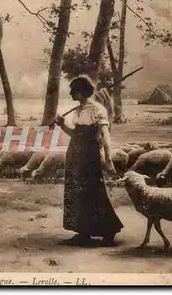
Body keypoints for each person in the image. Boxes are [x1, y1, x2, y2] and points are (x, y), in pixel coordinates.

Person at [54, 75, 123, 246]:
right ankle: (82, 232)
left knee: (94, 191)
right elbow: (74, 134)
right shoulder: (78, 110)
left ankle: (109, 231)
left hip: (89, 157)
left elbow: (105, 135)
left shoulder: (97, 109)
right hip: (74, 155)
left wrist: (108, 159)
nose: (70, 94)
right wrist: (62, 125)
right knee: (76, 194)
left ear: (82, 91)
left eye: (73, 91)